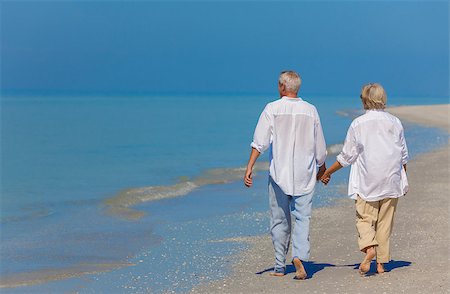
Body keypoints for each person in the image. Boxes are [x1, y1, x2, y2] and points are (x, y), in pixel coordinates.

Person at [244, 70, 327, 279]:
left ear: (282, 87)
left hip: (278, 175)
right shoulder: (311, 110)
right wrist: (322, 168)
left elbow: (260, 141)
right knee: (302, 218)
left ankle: (280, 266)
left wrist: (250, 166)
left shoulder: (272, 108)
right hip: (305, 174)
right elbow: (320, 146)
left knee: (279, 219)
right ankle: (299, 255)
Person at [320, 83, 408, 275]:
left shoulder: (358, 124)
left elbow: (346, 157)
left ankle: (369, 248)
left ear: (365, 100)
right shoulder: (395, 122)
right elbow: (403, 156)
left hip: (368, 181)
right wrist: (404, 179)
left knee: (364, 218)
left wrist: (327, 173)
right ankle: (381, 264)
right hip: (391, 179)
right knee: (385, 223)